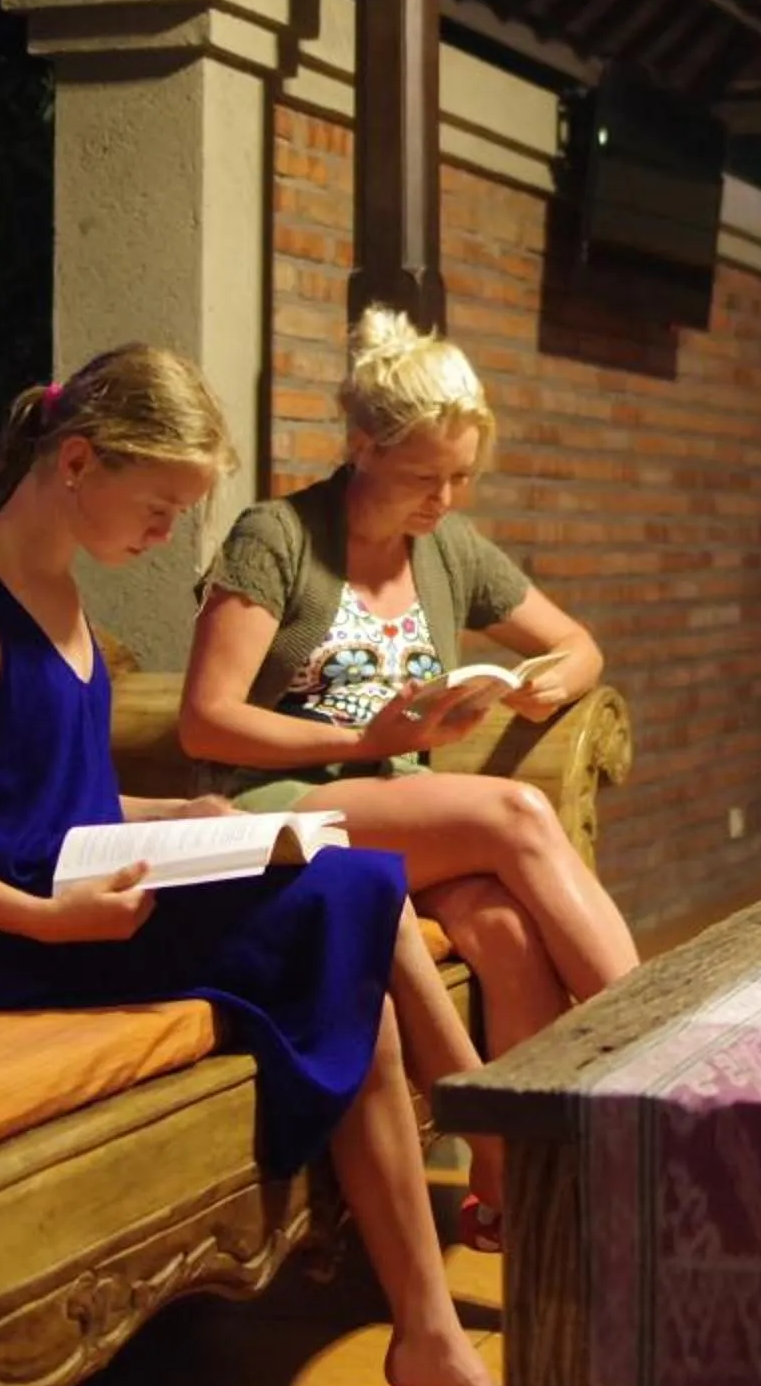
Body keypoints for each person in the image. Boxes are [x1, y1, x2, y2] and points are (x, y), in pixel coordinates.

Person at [0, 345, 502, 1386]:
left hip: (81, 891)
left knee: (333, 877)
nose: (168, 536)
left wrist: (190, 815)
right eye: (159, 506)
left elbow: (58, 796)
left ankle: (431, 1329)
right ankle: (485, 1136)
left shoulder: (62, 594)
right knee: (345, 894)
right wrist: (47, 920)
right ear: (78, 460)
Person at [179, 308, 641, 1242]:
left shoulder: (452, 550)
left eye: (463, 476)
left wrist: (542, 685)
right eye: (425, 477)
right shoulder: (278, 538)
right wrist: (359, 734)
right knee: (515, 810)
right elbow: (206, 720)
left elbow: (578, 644)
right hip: (287, 808)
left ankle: (518, 1202)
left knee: (507, 932)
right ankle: (668, 1047)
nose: (445, 499)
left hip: (400, 808)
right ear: (362, 446)